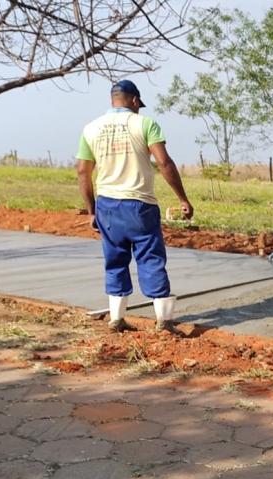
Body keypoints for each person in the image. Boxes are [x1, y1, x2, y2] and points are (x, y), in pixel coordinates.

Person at [76, 79, 193, 333]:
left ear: (112, 99)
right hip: (139, 204)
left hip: (107, 206)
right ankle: (164, 322)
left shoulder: (91, 129)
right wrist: (183, 198)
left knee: (115, 260)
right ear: (135, 101)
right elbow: (164, 162)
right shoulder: (145, 123)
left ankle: (116, 320)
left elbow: (83, 172)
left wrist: (92, 211)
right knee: (150, 258)